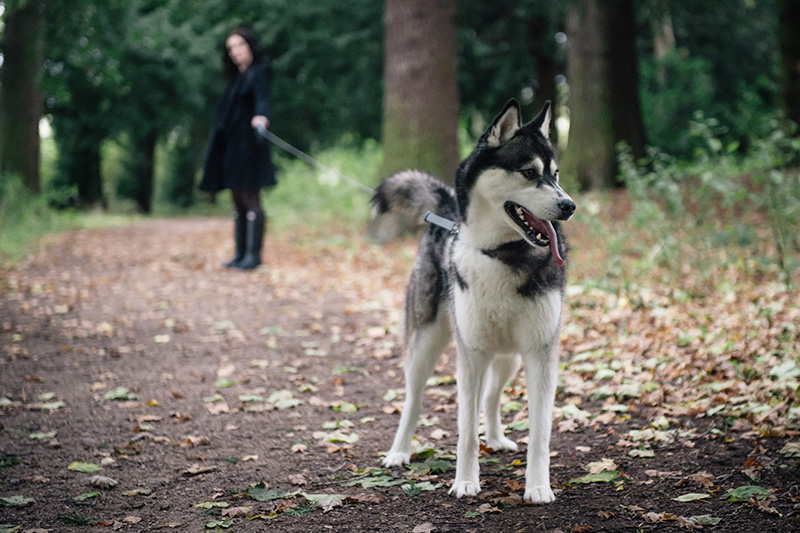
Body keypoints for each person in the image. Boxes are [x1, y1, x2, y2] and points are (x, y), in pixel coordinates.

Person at [199, 28, 275, 270]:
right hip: (231, 147)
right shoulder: (236, 78)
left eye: (239, 45)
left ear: (250, 46)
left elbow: (263, 98)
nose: (235, 52)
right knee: (236, 199)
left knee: (250, 198)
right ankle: (240, 253)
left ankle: (254, 256)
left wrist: (261, 117)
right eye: (231, 48)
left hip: (251, 146)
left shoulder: (259, 72)